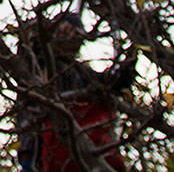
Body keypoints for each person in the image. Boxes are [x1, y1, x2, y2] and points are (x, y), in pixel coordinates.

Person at [15, 13, 136, 172]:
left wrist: (127, 69)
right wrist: (39, 28)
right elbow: (26, 46)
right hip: (35, 147)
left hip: (76, 150)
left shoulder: (81, 72)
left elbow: (107, 85)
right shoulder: (37, 60)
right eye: (66, 33)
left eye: (77, 37)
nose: (72, 40)